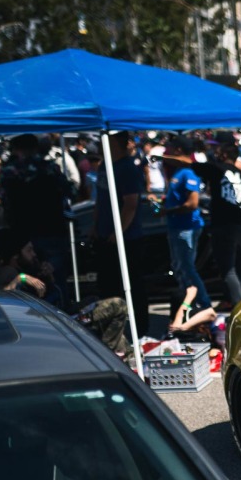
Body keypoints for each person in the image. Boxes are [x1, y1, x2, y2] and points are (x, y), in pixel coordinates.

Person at [0, 133, 77, 308]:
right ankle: (64, 316)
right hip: (54, 230)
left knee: (30, 284)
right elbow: (70, 192)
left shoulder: (11, 171)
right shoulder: (51, 167)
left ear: (17, 149)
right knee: (55, 279)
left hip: (25, 235)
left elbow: (5, 202)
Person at [91, 131, 150, 332]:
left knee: (132, 286)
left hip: (126, 239)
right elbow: (100, 200)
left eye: (106, 139)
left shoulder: (128, 169)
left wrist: (118, 232)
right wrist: (95, 226)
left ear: (118, 143)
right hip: (105, 236)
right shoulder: (103, 167)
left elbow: (131, 204)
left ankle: (139, 329)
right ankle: (110, 330)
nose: (101, 143)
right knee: (107, 287)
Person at [152, 135, 211, 315]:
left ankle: (204, 305)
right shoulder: (178, 172)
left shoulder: (188, 172)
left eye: (170, 147)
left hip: (186, 228)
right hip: (177, 227)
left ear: (178, 150)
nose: (166, 150)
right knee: (180, 268)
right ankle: (188, 305)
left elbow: (192, 203)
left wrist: (168, 211)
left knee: (186, 268)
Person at [195, 136, 241, 308]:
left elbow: (187, 165)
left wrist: (162, 159)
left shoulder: (216, 169)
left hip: (223, 225)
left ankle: (237, 305)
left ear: (222, 155)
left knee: (228, 269)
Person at [0, 227, 52, 301]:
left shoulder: (26, 269)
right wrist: (22, 278)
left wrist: (47, 276)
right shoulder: (7, 272)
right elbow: (0, 297)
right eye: (29, 250)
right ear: (15, 255)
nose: (34, 254)